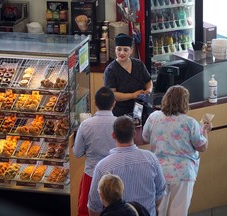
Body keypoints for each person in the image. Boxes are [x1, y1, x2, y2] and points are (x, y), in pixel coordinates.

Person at [142, 85, 212, 216]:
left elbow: (145, 137)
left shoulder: (154, 117)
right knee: (178, 212)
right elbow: (202, 146)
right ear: (185, 102)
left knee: (158, 211)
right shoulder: (190, 123)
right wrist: (205, 131)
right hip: (183, 175)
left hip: (159, 173)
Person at [88, 116, 166, 216]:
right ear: (134, 134)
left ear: (113, 135)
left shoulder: (102, 166)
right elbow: (160, 193)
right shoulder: (151, 159)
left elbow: (94, 206)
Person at [73, 86, 117, 216]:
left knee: (87, 211)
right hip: (115, 177)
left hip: (91, 175)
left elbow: (77, 152)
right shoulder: (120, 122)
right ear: (114, 103)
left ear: (95, 103)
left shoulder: (86, 124)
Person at [104, 33, 153, 117]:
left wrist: (148, 90)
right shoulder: (110, 70)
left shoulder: (139, 64)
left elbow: (148, 81)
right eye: (119, 49)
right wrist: (133, 95)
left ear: (131, 50)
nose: (121, 53)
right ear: (115, 50)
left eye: (125, 50)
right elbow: (112, 94)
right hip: (120, 113)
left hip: (141, 109)